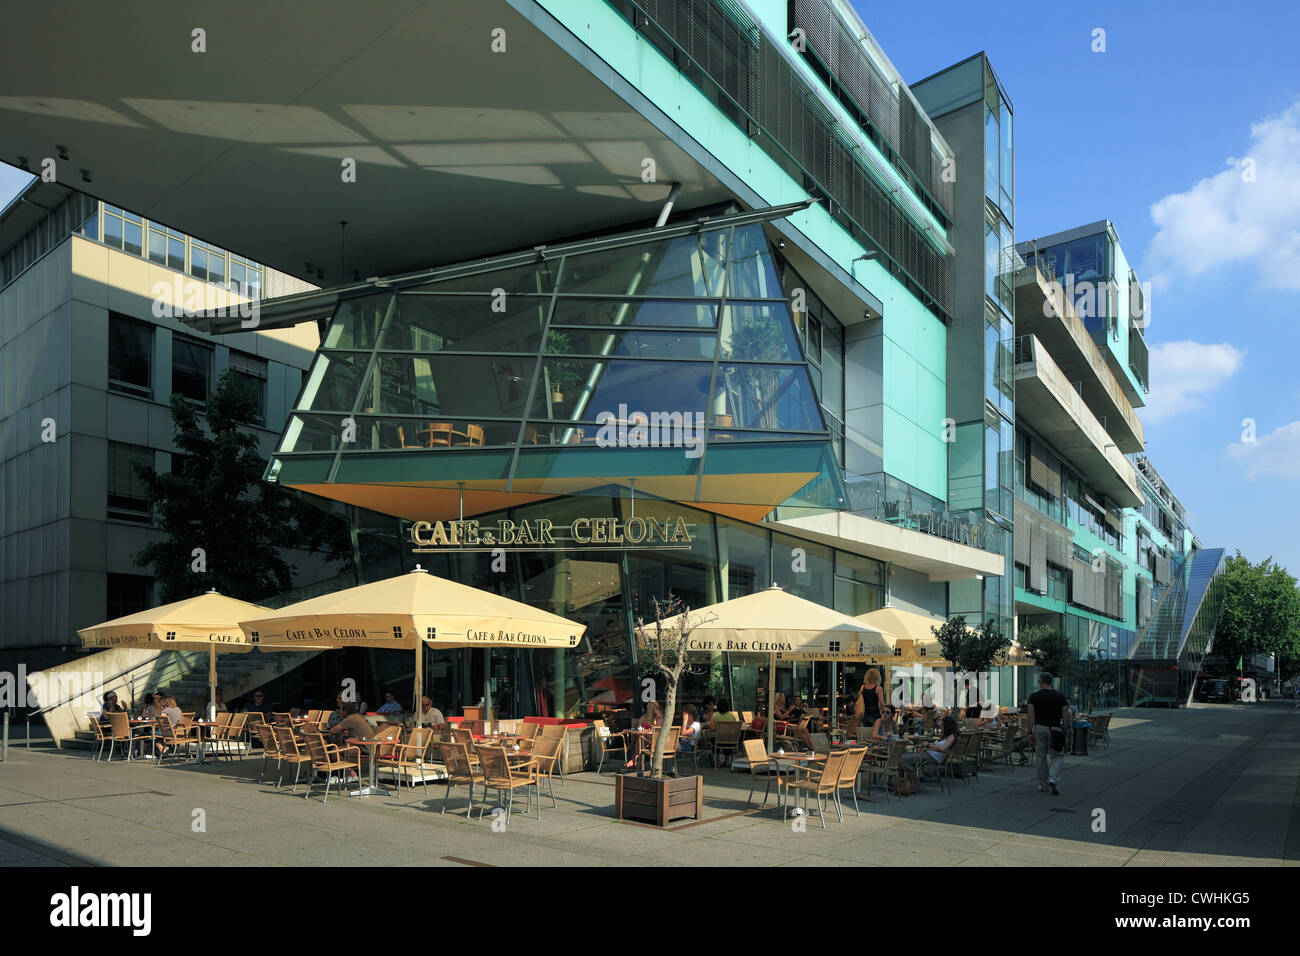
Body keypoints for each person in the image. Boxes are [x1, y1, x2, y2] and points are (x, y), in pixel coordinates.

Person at [1026, 672, 1072, 796]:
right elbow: (1065, 716)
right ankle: (1053, 779)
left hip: (1040, 728)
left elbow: (1030, 717)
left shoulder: (1034, 697)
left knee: (1040, 757)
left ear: (1041, 681)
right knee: (1057, 755)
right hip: (1056, 729)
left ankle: (1043, 784)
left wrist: (1029, 731)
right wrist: (1066, 730)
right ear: (1051, 682)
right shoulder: (1060, 697)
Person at [900, 715, 959, 782]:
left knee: (902, 759)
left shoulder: (952, 736)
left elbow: (943, 748)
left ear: (948, 726)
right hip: (928, 754)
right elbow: (935, 745)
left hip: (933, 758)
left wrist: (928, 745)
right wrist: (926, 745)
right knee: (902, 756)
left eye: (942, 724)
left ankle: (913, 780)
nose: (940, 726)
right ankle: (904, 782)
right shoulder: (944, 735)